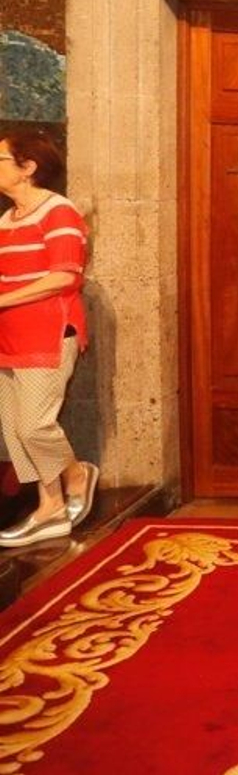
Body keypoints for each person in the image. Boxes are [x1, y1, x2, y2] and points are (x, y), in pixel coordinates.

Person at [0, 128, 97, 549]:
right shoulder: (6, 219)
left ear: (28, 168)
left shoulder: (59, 212)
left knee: (36, 425)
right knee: (13, 427)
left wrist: (4, 298)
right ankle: (50, 502)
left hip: (49, 331)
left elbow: (63, 276)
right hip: (9, 334)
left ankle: (77, 474)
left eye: (1, 159)